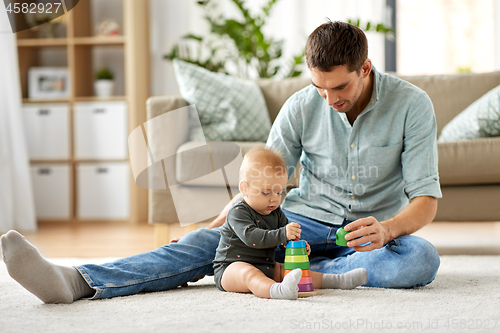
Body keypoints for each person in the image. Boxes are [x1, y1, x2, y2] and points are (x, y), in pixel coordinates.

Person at [0, 20, 441, 304]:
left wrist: (388, 228)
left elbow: (425, 199)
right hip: (295, 225)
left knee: (419, 260)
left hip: (366, 236)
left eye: (339, 88)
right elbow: (259, 186)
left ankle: (290, 272)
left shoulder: (412, 105)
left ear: (365, 68)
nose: (329, 100)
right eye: (319, 89)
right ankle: (78, 281)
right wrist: (217, 223)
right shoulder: (302, 105)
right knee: (215, 242)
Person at [213, 146, 367, 299]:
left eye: (279, 192)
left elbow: (283, 242)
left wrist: (297, 245)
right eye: (266, 192)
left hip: (266, 266)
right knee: (249, 273)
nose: (274, 198)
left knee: (290, 270)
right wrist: (283, 234)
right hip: (231, 269)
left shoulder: (276, 213)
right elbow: (251, 238)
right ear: (244, 189)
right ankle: (278, 291)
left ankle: (338, 280)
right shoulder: (238, 212)